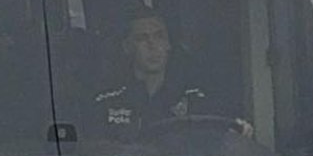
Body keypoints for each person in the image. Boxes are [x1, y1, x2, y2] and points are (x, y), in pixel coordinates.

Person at [90, 9, 247, 138]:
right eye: (142, 38)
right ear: (127, 47)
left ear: (168, 44)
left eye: (159, 36)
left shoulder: (197, 99)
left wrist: (240, 130)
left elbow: (224, 134)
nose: (152, 45)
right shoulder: (106, 102)